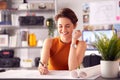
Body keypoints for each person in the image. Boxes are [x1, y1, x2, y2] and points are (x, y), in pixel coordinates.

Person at [38, 8, 87, 75]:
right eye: (60, 26)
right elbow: (43, 62)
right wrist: (42, 68)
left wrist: (73, 42)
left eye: (67, 26)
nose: (63, 30)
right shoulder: (49, 42)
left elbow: (72, 69)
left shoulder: (81, 44)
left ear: (75, 25)